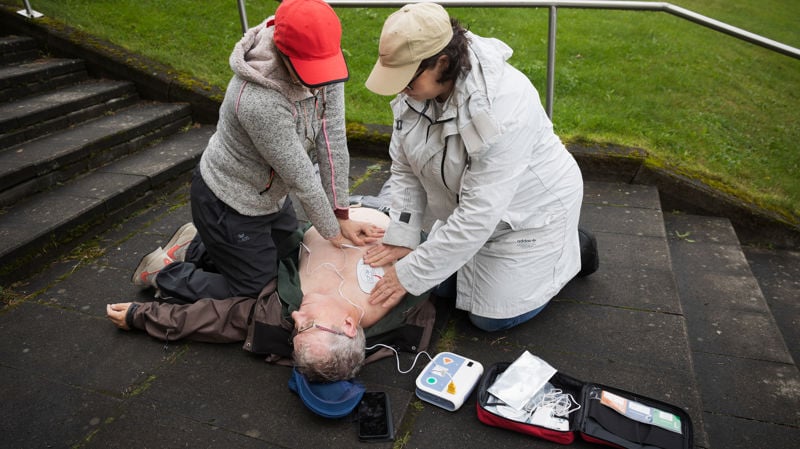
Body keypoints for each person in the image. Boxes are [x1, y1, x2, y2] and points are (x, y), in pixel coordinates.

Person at [363, 3, 596, 332]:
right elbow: (404, 170)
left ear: (442, 62)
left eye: (407, 77)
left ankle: (572, 252)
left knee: (488, 319)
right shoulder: (415, 91)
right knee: (440, 288)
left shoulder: (503, 107)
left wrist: (409, 273)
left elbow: (479, 214)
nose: (400, 87)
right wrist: (403, 234)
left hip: (529, 213)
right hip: (471, 208)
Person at [131, 0, 382, 302]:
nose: (319, 86)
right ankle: (162, 273)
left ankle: (194, 246)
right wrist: (334, 230)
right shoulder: (256, 100)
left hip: (270, 197)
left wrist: (341, 210)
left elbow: (332, 139)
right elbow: (301, 174)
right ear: (284, 52)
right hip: (229, 201)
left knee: (292, 260)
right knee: (258, 293)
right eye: (309, 74)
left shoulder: (322, 59)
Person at [109, 207, 434, 382]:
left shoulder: (281, 315)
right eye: (306, 325)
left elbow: (218, 319)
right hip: (372, 207)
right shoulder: (401, 302)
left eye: (296, 328)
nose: (295, 317)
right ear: (349, 327)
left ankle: (168, 268)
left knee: (242, 286)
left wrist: (142, 316)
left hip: (278, 247)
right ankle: (195, 248)